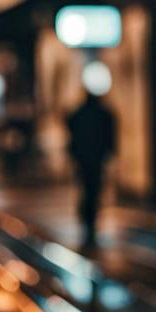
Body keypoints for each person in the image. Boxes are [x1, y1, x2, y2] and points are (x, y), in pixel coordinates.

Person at [65, 89, 116, 249]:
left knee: (87, 189)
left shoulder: (79, 114)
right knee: (93, 190)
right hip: (95, 159)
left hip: (84, 159)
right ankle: (90, 219)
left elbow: (71, 130)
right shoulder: (103, 114)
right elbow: (110, 136)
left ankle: (87, 217)